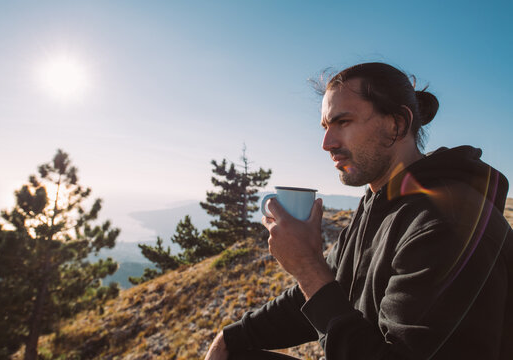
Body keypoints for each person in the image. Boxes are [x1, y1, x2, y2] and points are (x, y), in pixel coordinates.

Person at [204, 62, 513, 360]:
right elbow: (323, 293)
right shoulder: (378, 203)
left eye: (343, 122)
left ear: (397, 124)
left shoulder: (444, 224)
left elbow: (319, 285)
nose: (326, 143)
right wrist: (231, 336)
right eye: (326, 126)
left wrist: (307, 267)